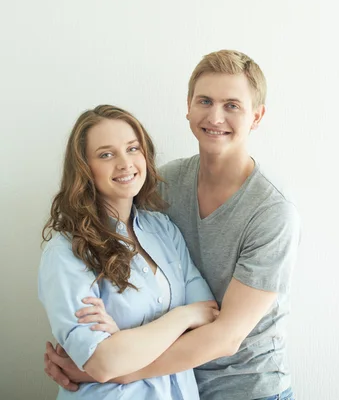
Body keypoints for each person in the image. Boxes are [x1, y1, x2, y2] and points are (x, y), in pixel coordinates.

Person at [44, 50, 301, 400]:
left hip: (246, 387)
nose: (215, 116)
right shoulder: (160, 186)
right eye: (205, 101)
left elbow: (224, 334)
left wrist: (112, 366)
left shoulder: (271, 211)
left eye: (232, 105)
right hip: (176, 384)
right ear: (188, 106)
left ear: (257, 117)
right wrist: (94, 355)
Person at [39, 104, 220, 399]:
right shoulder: (66, 252)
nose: (125, 163)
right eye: (106, 154)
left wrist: (123, 342)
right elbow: (103, 362)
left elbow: (210, 318)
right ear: (85, 168)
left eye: (133, 149)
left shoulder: (163, 229)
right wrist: (185, 316)